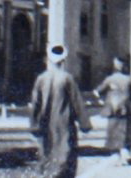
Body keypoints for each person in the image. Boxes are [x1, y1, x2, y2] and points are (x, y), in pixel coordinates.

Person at [30, 43, 91, 178]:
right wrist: (84, 124)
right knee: (66, 155)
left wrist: (34, 125)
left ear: (48, 59)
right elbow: (77, 102)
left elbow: (36, 104)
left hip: (45, 124)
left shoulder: (41, 78)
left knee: (47, 153)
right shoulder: (67, 78)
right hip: (64, 123)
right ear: (63, 60)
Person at [94, 56, 131, 165]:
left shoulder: (109, 79)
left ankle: (116, 155)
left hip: (112, 110)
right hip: (126, 109)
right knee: (127, 131)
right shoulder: (129, 79)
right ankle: (126, 154)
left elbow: (97, 92)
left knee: (113, 131)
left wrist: (103, 100)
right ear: (124, 66)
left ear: (115, 66)